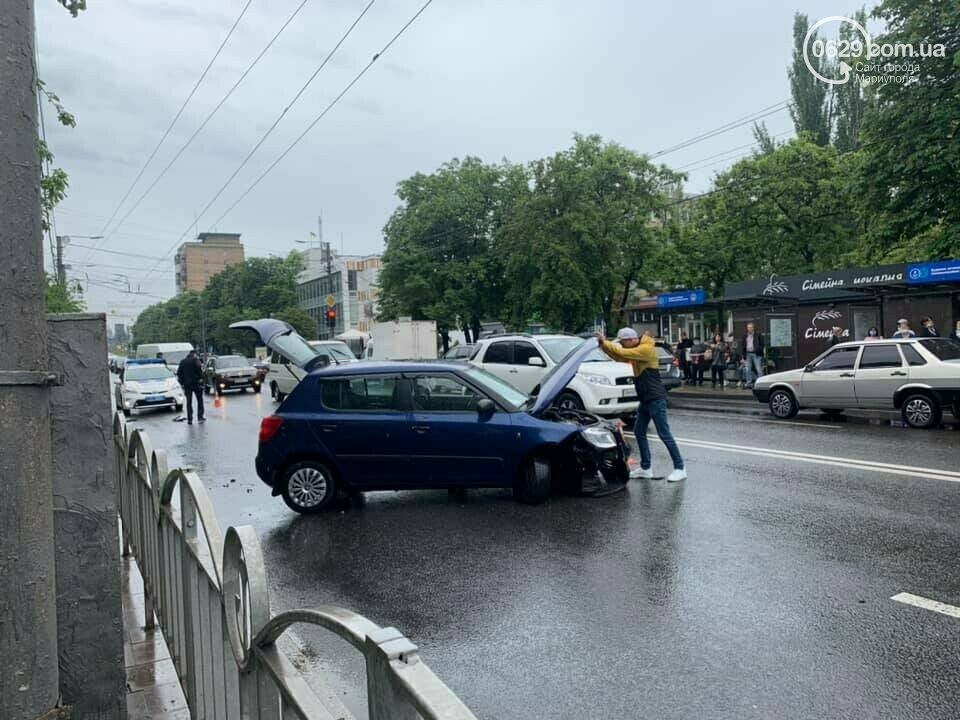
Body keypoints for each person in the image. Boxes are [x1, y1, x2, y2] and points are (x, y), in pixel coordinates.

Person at [597, 328, 686, 483]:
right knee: (639, 432)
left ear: (630, 340)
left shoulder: (646, 349)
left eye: (623, 342)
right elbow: (618, 356)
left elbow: (623, 353)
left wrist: (606, 342)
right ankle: (646, 469)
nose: (622, 346)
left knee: (664, 434)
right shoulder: (636, 350)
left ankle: (680, 468)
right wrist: (603, 345)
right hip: (646, 399)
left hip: (656, 399)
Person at [176, 349, 205, 424]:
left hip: (187, 385)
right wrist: (201, 378)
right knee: (200, 400)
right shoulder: (196, 360)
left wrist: (182, 382)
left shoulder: (183, 361)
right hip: (196, 383)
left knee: (189, 402)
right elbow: (199, 370)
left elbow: (179, 373)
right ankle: (200, 417)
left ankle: (190, 419)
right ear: (194, 354)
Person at [740, 322, 766, 389]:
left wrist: (757, 349)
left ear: (753, 328)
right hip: (748, 354)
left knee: (758, 369)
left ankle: (761, 383)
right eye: (748, 328)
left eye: (751, 327)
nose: (749, 329)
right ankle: (749, 383)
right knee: (747, 369)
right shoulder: (745, 336)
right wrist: (743, 356)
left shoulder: (758, 335)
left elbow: (762, 345)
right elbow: (743, 346)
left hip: (756, 354)